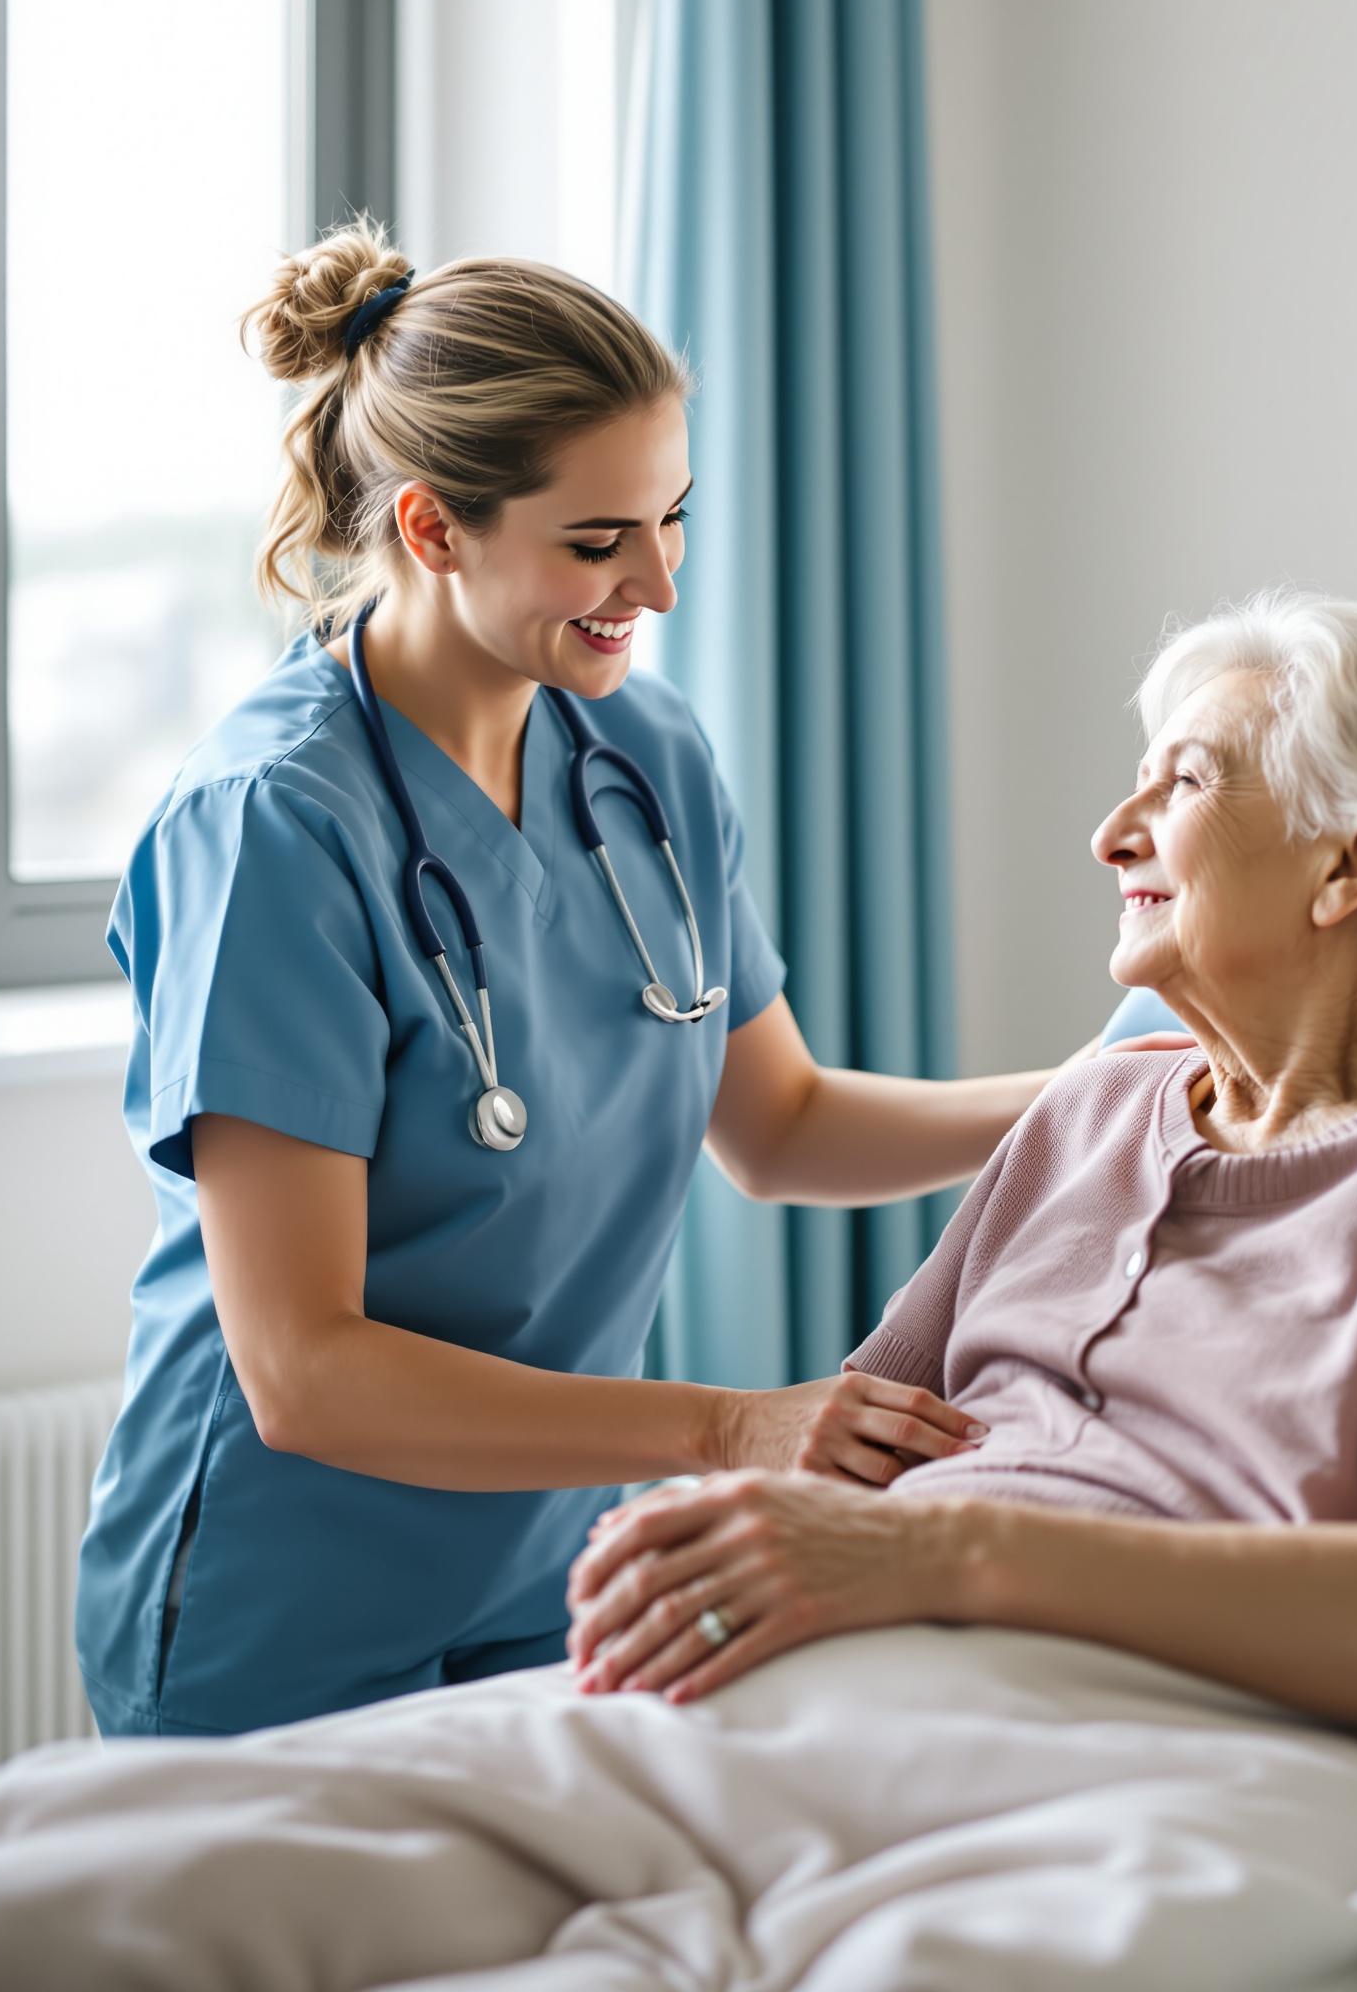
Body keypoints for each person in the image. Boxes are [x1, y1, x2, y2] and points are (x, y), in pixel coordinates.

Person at [0, 591, 1357, 1988]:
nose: (1110, 828)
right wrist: (733, 1532)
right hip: (790, 1702)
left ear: (1351, 865)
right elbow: (842, 1449)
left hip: (1150, 1743)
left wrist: (934, 1552)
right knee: (33, 1866)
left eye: (1186, 780)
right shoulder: (1098, 1116)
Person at [74, 224, 1072, 1742]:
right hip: (279, 1613)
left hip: (548, 1571)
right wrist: (736, 1428)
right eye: (600, 541)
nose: (658, 581)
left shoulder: (643, 753)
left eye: (673, 519)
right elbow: (302, 1371)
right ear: (430, 528)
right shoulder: (274, 826)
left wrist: (1100, 1096)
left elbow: (782, 1125)